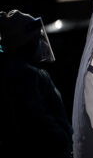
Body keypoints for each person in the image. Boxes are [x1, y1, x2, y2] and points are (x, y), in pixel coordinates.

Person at [0, 10, 73, 158]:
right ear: (26, 43)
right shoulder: (26, 76)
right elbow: (40, 122)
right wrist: (63, 142)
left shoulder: (13, 72)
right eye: (36, 38)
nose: (40, 43)